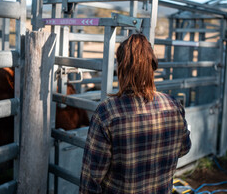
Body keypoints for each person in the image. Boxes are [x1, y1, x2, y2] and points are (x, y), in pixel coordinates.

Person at [79, 34, 191, 194]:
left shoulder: (107, 113)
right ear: (152, 66)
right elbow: (184, 148)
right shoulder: (174, 106)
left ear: (121, 68)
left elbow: (90, 179)